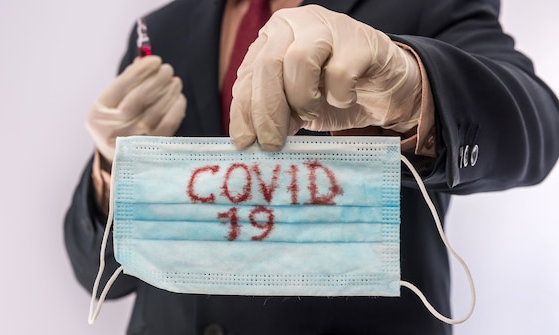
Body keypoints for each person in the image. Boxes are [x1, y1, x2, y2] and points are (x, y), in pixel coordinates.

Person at [64, 0, 559, 334]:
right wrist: (112, 172)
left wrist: (414, 86)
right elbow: (101, 277)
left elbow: (537, 127)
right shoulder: (162, 27)